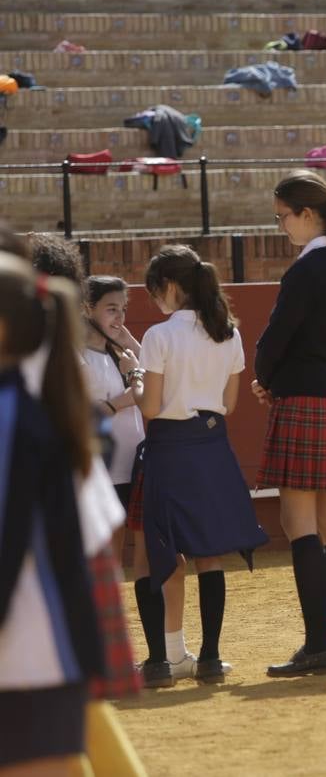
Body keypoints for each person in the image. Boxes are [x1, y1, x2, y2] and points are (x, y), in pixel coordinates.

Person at [127, 245, 267, 687]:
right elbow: (227, 403)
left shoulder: (159, 336)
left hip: (170, 448)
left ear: (169, 287)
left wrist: (134, 383)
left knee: (157, 554)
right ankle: (208, 657)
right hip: (212, 446)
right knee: (210, 554)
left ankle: (157, 662)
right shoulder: (229, 334)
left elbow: (150, 406)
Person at [253, 170, 326, 676]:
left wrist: (267, 377)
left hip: (301, 397)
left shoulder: (307, 269)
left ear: (306, 213)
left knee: (298, 524)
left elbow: (276, 338)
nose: (283, 227)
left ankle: (317, 645)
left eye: (283, 217)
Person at [0, 252, 103, 776]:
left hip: (26, 649)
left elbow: (7, 537)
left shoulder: (14, 417)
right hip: (41, 644)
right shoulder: (29, 409)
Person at [82, 276, 144, 512]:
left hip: (135, 463)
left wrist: (127, 339)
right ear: (88, 308)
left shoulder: (121, 353)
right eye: (111, 309)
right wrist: (128, 398)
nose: (120, 317)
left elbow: (163, 376)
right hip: (104, 469)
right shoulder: (77, 354)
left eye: (123, 309)